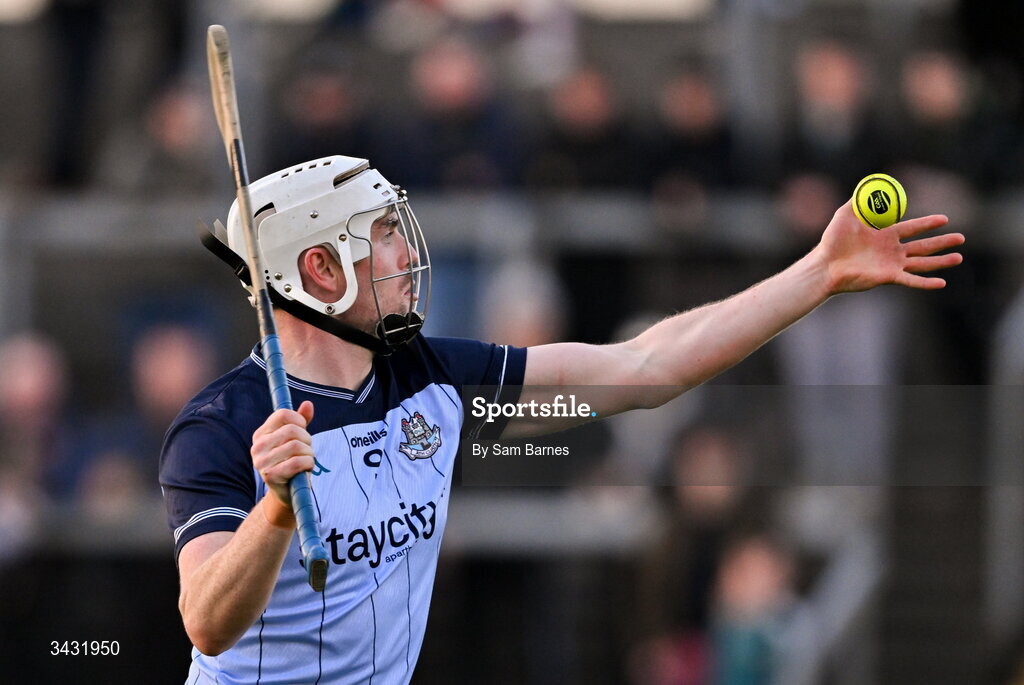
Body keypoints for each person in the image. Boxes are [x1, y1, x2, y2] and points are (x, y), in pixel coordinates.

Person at [159, 154, 964, 684]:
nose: (407, 256)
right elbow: (208, 622)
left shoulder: (437, 381)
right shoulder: (222, 426)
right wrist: (272, 510)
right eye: (382, 239)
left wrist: (818, 273)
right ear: (320, 268)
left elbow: (648, 368)